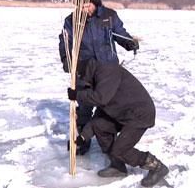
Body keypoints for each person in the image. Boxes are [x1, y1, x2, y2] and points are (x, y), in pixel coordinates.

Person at [58, 0, 139, 155]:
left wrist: (129, 42)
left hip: (108, 69)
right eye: (80, 6)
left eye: (87, 5)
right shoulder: (71, 20)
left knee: (108, 106)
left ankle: (111, 144)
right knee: (85, 107)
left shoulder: (109, 16)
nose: (84, 9)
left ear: (94, 2)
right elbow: (65, 43)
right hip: (85, 70)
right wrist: (67, 60)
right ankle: (82, 142)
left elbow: (120, 34)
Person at [67, 59, 169, 187]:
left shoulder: (106, 71)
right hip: (123, 114)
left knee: (120, 150)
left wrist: (78, 95)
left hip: (139, 114)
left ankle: (157, 167)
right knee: (99, 125)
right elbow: (98, 117)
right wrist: (82, 138)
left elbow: (101, 98)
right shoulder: (96, 79)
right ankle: (117, 166)